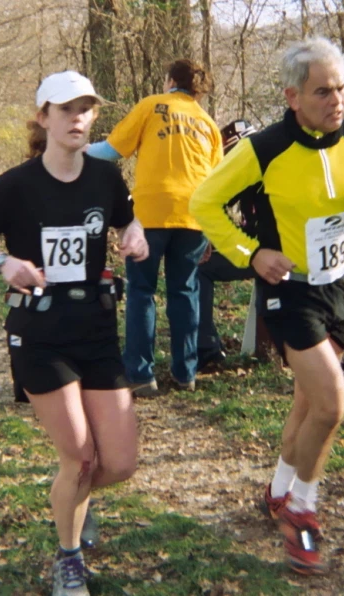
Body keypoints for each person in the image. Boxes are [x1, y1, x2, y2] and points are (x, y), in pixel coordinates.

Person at [191, 38, 344, 574]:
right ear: (293, 96)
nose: (338, 100)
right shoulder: (265, 147)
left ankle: (279, 490)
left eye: (342, 87)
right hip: (288, 291)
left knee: (307, 406)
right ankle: (301, 511)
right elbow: (203, 202)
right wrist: (250, 253)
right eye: (323, 90)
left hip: (335, 287)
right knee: (330, 404)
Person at [0, 71, 148, 595]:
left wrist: (134, 233)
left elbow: (127, 221)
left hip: (97, 331)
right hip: (39, 333)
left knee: (121, 462)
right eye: (66, 109)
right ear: (44, 118)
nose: (78, 119)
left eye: (86, 109)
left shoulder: (106, 178)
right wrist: (3, 261)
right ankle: (68, 556)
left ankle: (71, 500)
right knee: (81, 458)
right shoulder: (17, 184)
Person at [87, 59, 223, 396]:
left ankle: (140, 374)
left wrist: (78, 149)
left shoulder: (151, 106)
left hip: (149, 215)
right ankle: (185, 372)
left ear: (169, 81)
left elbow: (112, 150)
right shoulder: (208, 124)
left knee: (141, 291)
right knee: (185, 291)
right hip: (193, 216)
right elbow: (218, 181)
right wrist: (212, 228)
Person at [197, 119, 258, 370]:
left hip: (278, 252)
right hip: (255, 250)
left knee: (201, 269)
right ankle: (208, 349)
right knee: (201, 265)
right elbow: (213, 204)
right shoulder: (241, 177)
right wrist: (208, 237)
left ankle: (207, 350)